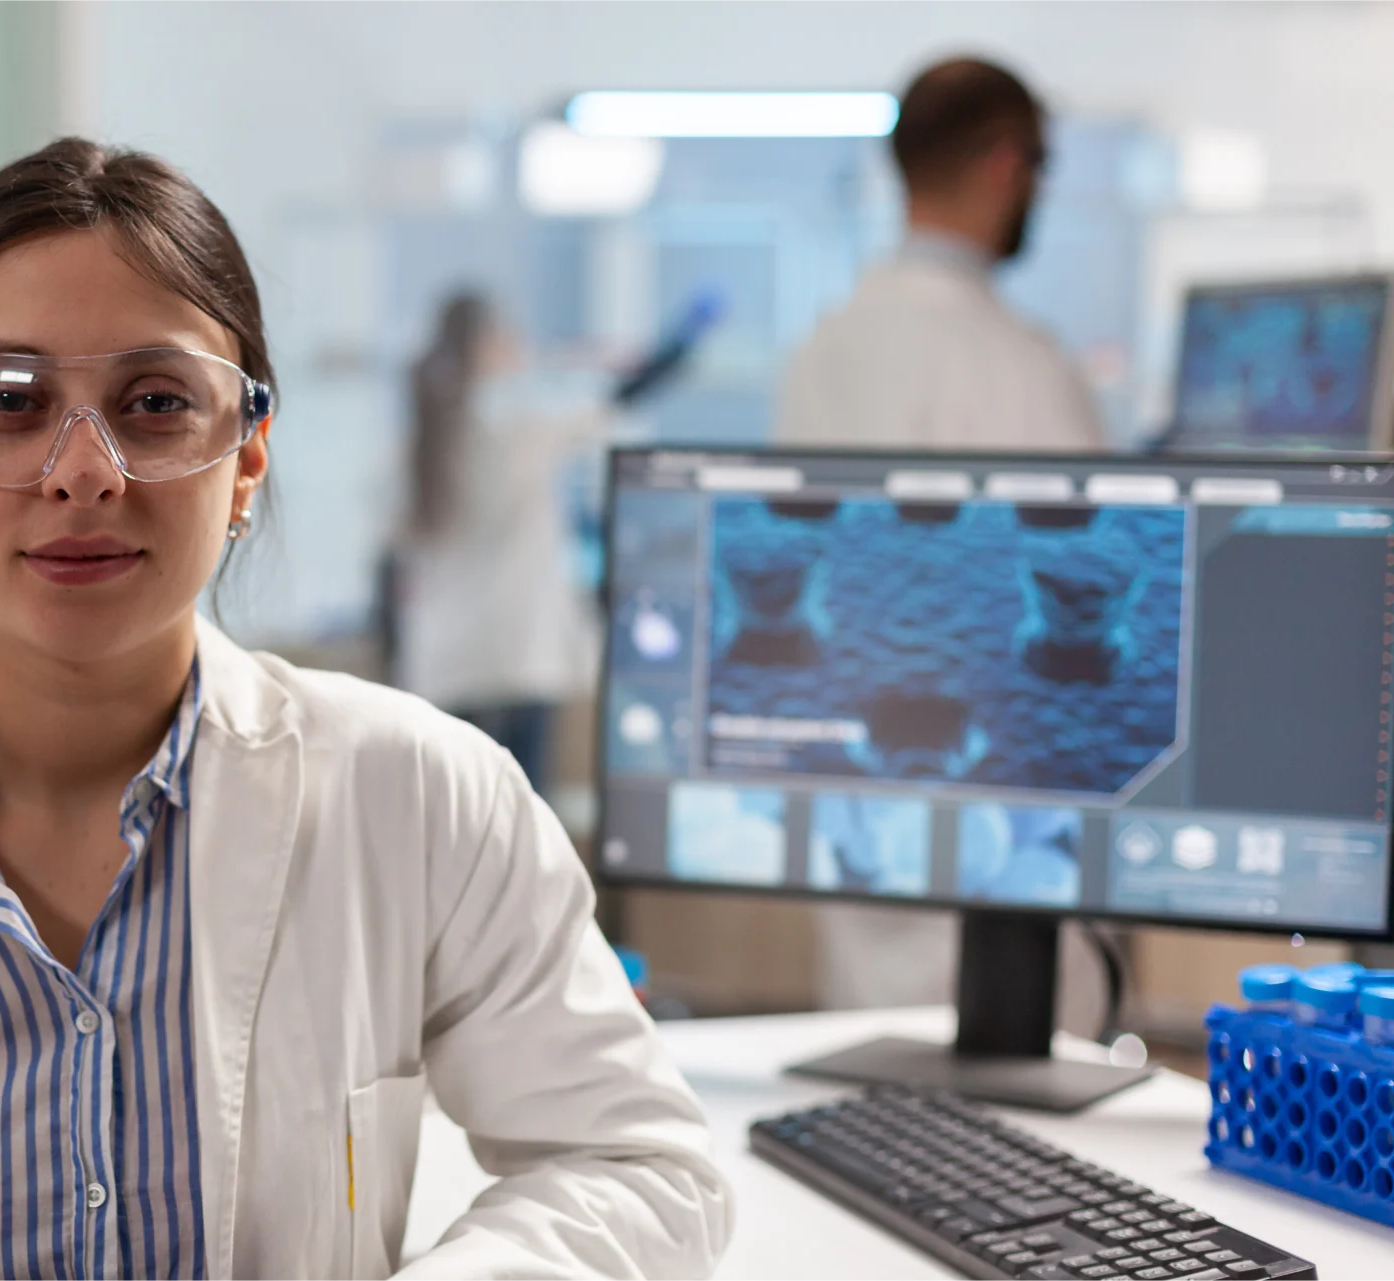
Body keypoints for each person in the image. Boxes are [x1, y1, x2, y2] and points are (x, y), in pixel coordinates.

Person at [0, 141, 730, 1280]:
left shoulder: (425, 800)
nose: (84, 470)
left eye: (157, 403)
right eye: (9, 399)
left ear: (248, 458)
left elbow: (633, 1164)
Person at [774, 58, 1109, 1012]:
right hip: (995, 818)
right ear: (1010, 164)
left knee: (874, 1095)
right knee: (1027, 1133)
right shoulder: (1016, 364)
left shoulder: (824, 347)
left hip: (861, 792)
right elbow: (1089, 587)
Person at [392, 291, 717, 790]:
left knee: (448, 833)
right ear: (486, 347)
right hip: (519, 659)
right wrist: (685, 338)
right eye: (508, 334)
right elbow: (623, 394)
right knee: (521, 832)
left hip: (446, 667)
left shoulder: (418, 442)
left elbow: (392, 570)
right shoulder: (521, 426)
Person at [775, 57, 1107, 452]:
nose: (1042, 189)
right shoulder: (1026, 371)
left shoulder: (816, 351)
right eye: (1041, 164)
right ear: (1006, 167)